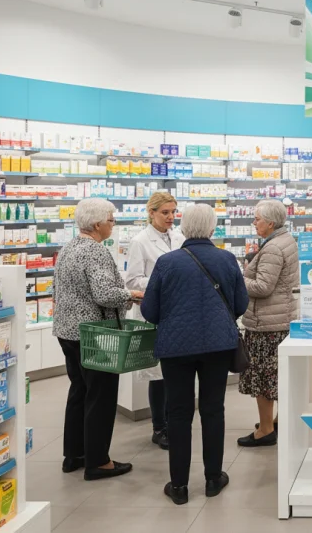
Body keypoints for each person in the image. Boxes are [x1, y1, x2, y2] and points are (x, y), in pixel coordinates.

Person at [140, 204, 248, 505]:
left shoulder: (167, 262)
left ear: (184, 228)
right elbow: (241, 304)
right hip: (217, 346)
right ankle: (213, 478)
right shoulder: (227, 259)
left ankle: (179, 486)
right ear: (212, 228)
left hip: (176, 348)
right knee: (213, 409)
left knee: (178, 412)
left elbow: (149, 310)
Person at [52, 198, 141, 481]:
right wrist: (132, 295)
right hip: (94, 334)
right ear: (97, 224)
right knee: (101, 396)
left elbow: (61, 290)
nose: (113, 225)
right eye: (111, 220)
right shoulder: (95, 251)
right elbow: (104, 294)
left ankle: (74, 455)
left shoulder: (69, 248)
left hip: (67, 331)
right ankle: (99, 461)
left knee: (79, 392)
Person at [124, 191, 186, 451]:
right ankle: (159, 428)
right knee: (158, 374)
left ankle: (175, 422)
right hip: (157, 313)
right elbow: (132, 280)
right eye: (165, 212)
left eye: (173, 212)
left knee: (176, 372)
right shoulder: (140, 241)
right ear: (151, 213)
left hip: (179, 312)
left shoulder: (180, 237)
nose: (171, 217)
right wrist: (164, 279)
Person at [237, 200, 300, 447]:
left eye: (257, 219)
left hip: (267, 323)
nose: (254, 223)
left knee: (263, 379)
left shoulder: (273, 248)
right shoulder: (286, 239)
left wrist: (238, 279)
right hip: (281, 318)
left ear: (271, 223)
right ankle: (275, 421)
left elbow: (263, 287)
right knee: (276, 376)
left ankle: (265, 430)